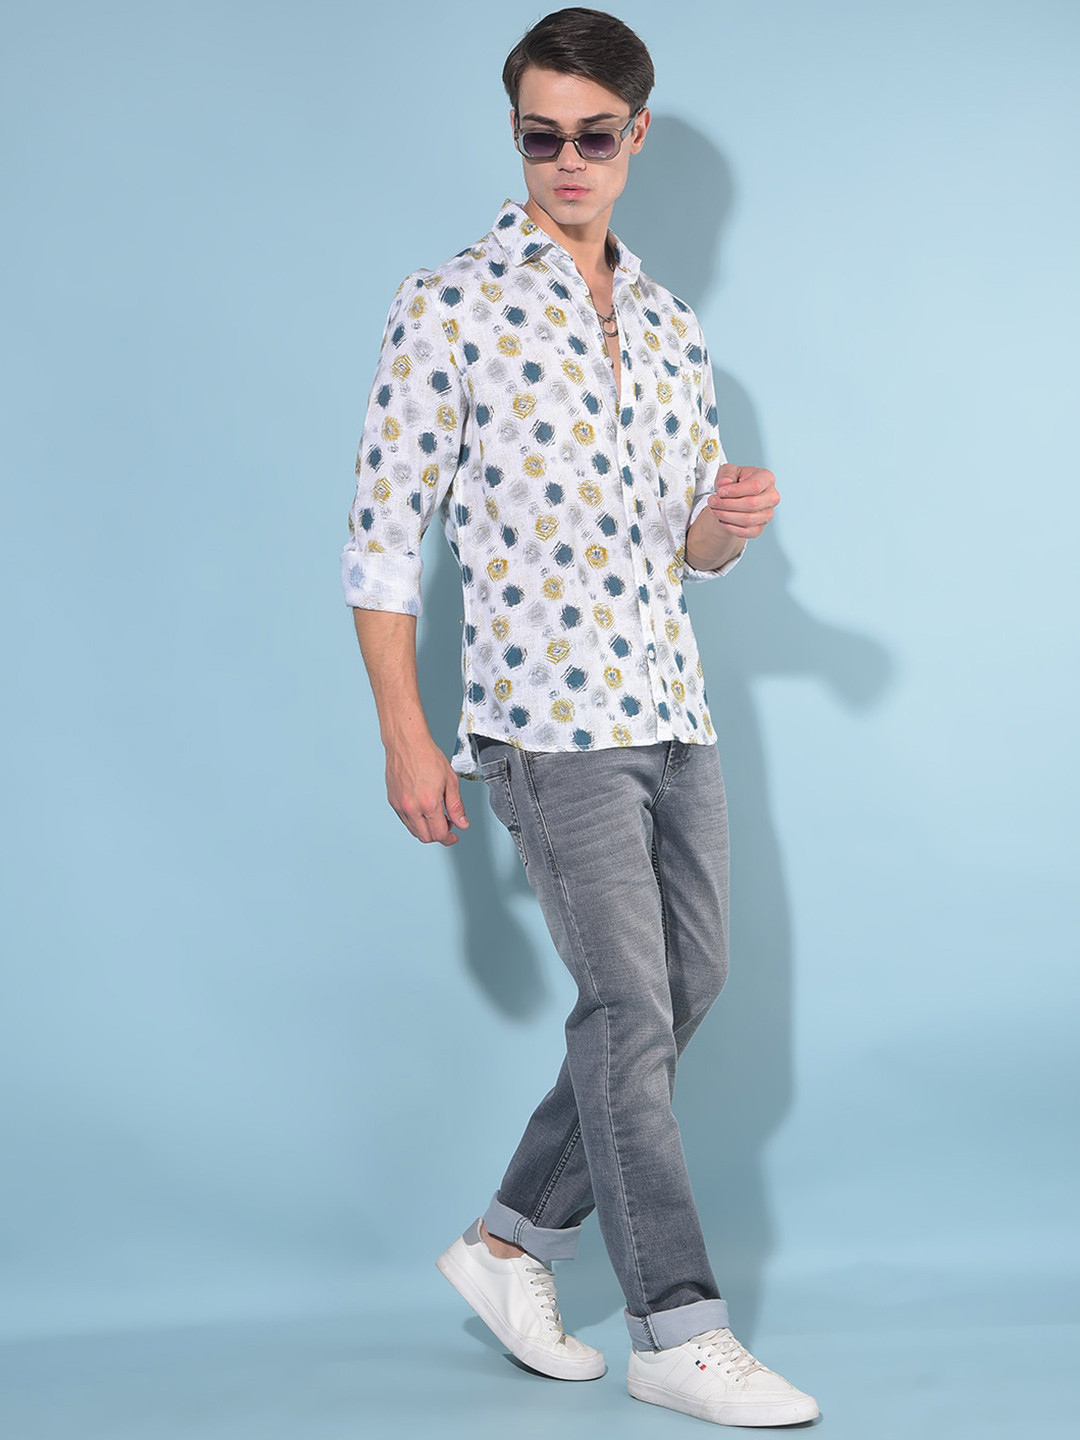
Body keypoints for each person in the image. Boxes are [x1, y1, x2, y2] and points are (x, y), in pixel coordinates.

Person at [341, 7, 818, 1428]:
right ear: (517, 137)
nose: (566, 160)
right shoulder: (448, 304)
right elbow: (381, 543)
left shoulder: (671, 327)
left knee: (683, 990)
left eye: (593, 136)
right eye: (539, 135)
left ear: (635, 135)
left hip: (671, 703)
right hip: (547, 724)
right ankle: (678, 1326)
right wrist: (407, 732)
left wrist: (729, 521)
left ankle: (505, 1249)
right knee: (624, 1004)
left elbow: (686, 549)